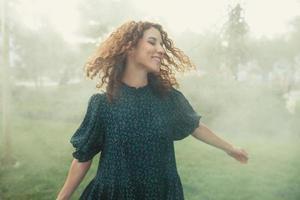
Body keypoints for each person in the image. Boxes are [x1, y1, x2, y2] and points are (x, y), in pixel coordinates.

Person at [56, 20, 248, 200]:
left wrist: (230, 149)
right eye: (152, 42)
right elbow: (83, 158)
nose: (161, 50)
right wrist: (62, 198)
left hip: (161, 193)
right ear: (130, 47)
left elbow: (195, 126)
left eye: (162, 44)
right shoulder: (103, 104)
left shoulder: (168, 98)